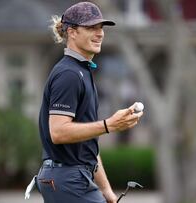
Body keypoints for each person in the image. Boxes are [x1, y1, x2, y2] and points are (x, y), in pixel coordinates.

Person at [36, 2, 143, 203]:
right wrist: (108, 125)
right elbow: (58, 132)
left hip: (70, 178)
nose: (100, 33)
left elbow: (87, 145)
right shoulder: (69, 74)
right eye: (91, 27)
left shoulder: (82, 72)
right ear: (72, 32)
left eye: (101, 27)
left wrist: (107, 192)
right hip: (68, 179)